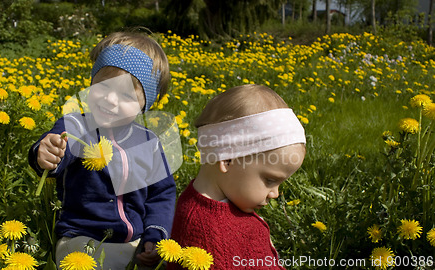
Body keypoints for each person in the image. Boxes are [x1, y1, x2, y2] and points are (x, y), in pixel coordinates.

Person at [28, 31, 176, 269]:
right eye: (103, 86)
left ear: (144, 105)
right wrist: (46, 152)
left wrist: (155, 234)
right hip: (81, 238)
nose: (110, 99)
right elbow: (59, 146)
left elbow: (162, 194)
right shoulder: (76, 125)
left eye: (126, 95)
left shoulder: (149, 143)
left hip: (135, 242)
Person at [168, 84, 306, 269]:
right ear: (227, 159)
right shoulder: (205, 233)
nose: (275, 193)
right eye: (270, 180)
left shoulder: (228, 200)